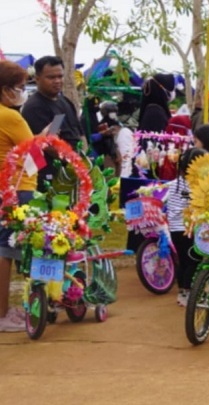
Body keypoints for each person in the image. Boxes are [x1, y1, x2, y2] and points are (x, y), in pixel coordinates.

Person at [0, 61, 37, 332]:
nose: (22, 93)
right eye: (19, 88)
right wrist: (47, 137)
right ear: (4, 90)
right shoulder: (10, 117)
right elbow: (33, 152)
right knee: (7, 251)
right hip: (16, 188)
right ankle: (2, 315)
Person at [22, 56, 87, 190]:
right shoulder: (35, 106)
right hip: (51, 177)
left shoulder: (65, 102)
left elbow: (80, 134)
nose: (57, 81)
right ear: (38, 78)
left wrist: (84, 161)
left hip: (73, 172)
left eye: (60, 76)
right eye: (51, 77)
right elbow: (48, 145)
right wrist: (74, 164)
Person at [167, 147, 207, 307]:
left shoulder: (175, 183)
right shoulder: (193, 186)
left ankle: (182, 293)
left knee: (183, 261)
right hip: (187, 229)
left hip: (174, 229)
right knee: (194, 261)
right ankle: (189, 292)